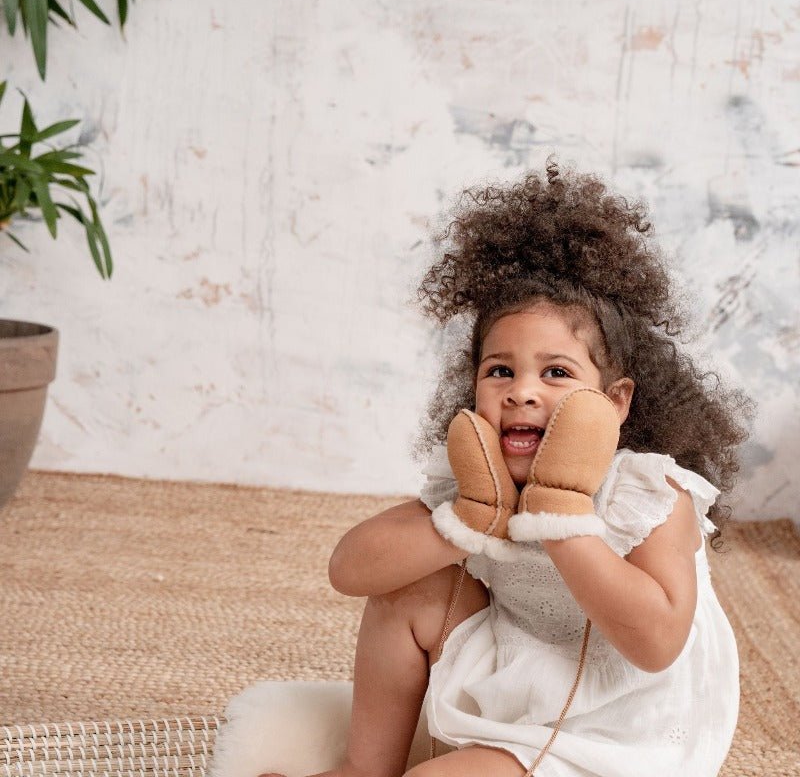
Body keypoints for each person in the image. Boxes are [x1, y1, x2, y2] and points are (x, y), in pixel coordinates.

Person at [260, 160, 752, 777]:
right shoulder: (481, 480)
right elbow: (350, 570)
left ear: (616, 401)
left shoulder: (646, 493)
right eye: (500, 371)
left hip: (619, 726)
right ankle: (365, 767)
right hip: (522, 672)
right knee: (411, 588)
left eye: (556, 372)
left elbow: (656, 645)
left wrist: (563, 519)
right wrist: (466, 521)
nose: (522, 392)